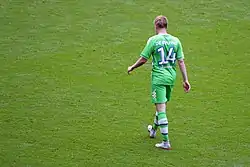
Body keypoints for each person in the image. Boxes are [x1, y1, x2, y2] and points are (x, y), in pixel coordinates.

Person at [127, 15, 191, 150]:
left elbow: (144, 59)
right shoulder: (176, 41)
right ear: (166, 26)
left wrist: (132, 67)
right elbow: (181, 61)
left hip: (158, 78)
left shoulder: (153, 40)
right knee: (162, 105)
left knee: (161, 109)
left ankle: (166, 142)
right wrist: (185, 79)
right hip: (171, 77)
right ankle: (153, 130)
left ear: (156, 26)